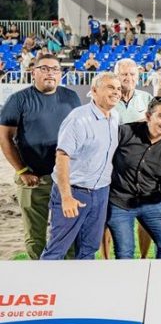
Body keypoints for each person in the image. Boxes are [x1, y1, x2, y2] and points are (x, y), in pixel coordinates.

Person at [0, 55, 81, 259]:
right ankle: (40, 276)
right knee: (36, 236)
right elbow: (5, 138)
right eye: (44, 68)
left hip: (65, 179)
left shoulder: (71, 97)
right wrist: (22, 171)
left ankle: (69, 276)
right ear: (33, 72)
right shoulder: (18, 99)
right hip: (33, 179)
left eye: (55, 69)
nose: (50, 73)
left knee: (68, 232)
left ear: (60, 74)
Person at [40, 73, 121, 259]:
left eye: (118, 88)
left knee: (89, 249)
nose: (116, 91)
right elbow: (62, 156)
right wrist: (66, 197)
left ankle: (82, 287)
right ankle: (46, 286)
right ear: (94, 91)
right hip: (74, 191)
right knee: (57, 249)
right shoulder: (78, 118)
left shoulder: (115, 117)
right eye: (110, 87)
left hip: (100, 192)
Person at [106, 98, 161, 259]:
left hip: (151, 201)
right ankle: (126, 283)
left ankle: (160, 281)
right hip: (119, 201)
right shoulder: (125, 132)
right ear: (148, 116)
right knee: (125, 251)